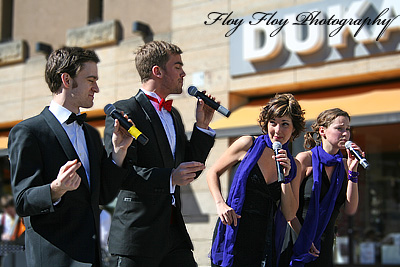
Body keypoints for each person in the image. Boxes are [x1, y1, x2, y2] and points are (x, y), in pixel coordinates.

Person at [8, 47, 134, 267]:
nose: (97, 87)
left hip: (92, 258)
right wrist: (55, 189)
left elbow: (102, 196)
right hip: (53, 259)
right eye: (90, 79)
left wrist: (118, 152)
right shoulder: (28, 131)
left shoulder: (90, 134)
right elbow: (22, 201)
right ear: (66, 79)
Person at [103, 40, 216, 267]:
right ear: (158, 71)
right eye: (177, 66)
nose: (183, 72)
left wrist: (202, 126)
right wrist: (169, 178)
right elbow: (123, 174)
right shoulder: (125, 111)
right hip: (138, 236)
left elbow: (187, 169)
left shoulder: (173, 114)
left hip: (173, 232)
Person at [208, 93, 305, 267]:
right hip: (233, 231)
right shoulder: (247, 144)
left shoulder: (295, 166)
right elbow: (213, 172)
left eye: (285, 124)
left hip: (263, 241)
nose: (278, 130)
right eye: (273, 123)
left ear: (294, 129)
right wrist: (220, 203)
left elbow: (290, 214)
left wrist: (286, 177)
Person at [280, 108, 363, 266]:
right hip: (298, 238)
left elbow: (351, 209)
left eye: (347, 129)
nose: (345, 134)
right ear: (322, 131)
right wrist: (305, 239)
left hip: (324, 244)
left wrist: (353, 172)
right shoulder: (305, 160)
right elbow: (290, 211)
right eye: (339, 128)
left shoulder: (345, 165)